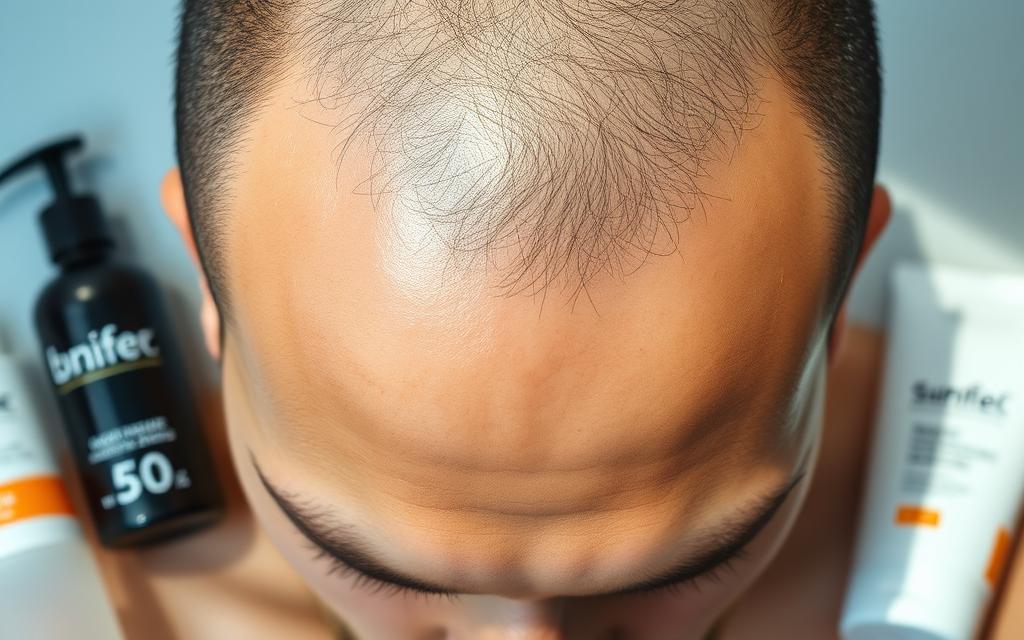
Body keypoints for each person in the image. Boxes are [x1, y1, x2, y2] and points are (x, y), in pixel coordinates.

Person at [79, 1, 1023, 638]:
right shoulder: (71, 603)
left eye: (685, 566)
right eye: (370, 564)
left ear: (843, 284)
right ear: (209, 279)